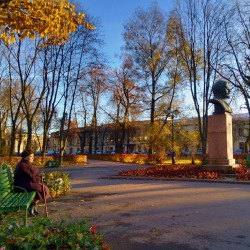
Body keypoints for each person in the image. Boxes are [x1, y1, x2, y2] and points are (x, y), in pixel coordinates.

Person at [14, 149, 51, 216]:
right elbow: (31, 176)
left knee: (43, 188)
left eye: (33, 156)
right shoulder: (23, 165)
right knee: (42, 189)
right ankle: (32, 206)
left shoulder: (26, 163)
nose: (32, 158)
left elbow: (34, 174)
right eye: (31, 156)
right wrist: (38, 177)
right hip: (22, 185)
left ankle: (33, 205)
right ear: (26, 157)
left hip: (26, 183)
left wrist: (38, 176)